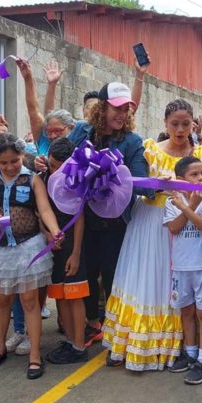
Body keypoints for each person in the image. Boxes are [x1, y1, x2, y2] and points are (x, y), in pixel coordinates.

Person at [102, 98, 202, 371]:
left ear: (193, 124)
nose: (180, 129)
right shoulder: (149, 150)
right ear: (165, 123)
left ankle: (175, 346)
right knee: (142, 279)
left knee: (171, 284)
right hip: (148, 222)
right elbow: (131, 180)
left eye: (186, 124)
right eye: (174, 124)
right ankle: (127, 342)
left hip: (184, 225)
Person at [58, 82, 150, 351]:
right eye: (116, 108)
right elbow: (63, 162)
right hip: (83, 222)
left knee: (112, 277)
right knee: (86, 275)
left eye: (126, 109)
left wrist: (111, 179)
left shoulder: (133, 141)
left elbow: (140, 182)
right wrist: (47, 162)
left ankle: (114, 330)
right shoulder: (81, 132)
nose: (121, 114)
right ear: (102, 107)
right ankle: (92, 324)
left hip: (115, 224)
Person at [0, 134, 62, 380]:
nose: (10, 166)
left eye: (15, 160)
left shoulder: (32, 179)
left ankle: (35, 354)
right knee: (3, 300)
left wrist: (55, 231)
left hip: (28, 246)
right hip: (0, 249)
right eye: (4, 163)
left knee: (30, 300)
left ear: (22, 156)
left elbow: (44, 209)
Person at [164, 157, 202, 384]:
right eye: (194, 174)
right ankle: (190, 354)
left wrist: (189, 207)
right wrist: (185, 206)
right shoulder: (172, 201)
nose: (200, 178)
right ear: (181, 180)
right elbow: (175, 228)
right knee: (186, 312)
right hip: (180, 266)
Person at [42, 138, 90, 365]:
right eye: (52, 165)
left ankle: (80, 346)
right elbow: (38, 211)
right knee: (60, 295)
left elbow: (79, 218)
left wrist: (77, 253)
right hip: (53, 245)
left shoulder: (75, 181)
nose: (55, 172)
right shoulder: (42, 179)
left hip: (72, 245)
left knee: (74, 295)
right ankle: (70, 341)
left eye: (60, 167)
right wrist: (47, 234)